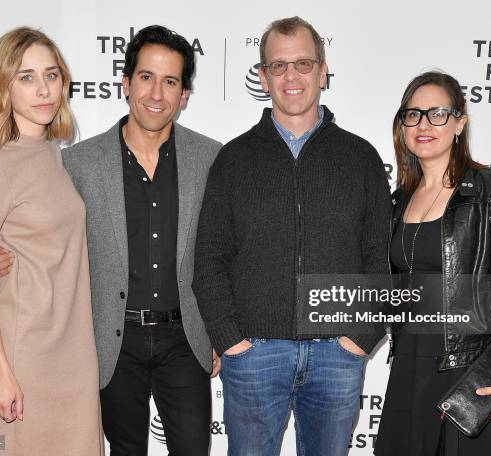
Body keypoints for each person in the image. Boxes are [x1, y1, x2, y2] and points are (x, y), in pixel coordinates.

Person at [0, 25, 222, 455]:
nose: (156, 93)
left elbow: (224, 251)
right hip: (111, 342)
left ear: (184, 95)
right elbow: (44, 233)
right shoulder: (77, 163)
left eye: (170, 81)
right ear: (125, 83)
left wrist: (223, 331)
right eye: (146, 77)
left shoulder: (211, 159)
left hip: (185, 340)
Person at [192, 16, 391, 456]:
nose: (292, 76)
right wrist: (231, 342)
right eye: (279, 66)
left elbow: (382, 260)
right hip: (254, 354)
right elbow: (208, 258)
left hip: (339, 355)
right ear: (263, 77)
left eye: (303, 63)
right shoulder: (234, 159)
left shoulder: (360, 158)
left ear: (323, 71)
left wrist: (360, 337)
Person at [375, 71, 491, 455]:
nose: (424, 124)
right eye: (413, 114)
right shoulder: (396, 200)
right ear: (402, 126)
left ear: (459, 123)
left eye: (438, 114)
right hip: (410, 364)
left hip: (471, 365)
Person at [0, 27, 103, 455]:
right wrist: (1, 372)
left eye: (51, 75)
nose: (43, 89)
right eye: (26, 77)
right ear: (4, 84)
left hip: (73, 354)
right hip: (24, 357)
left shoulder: (53, 152)